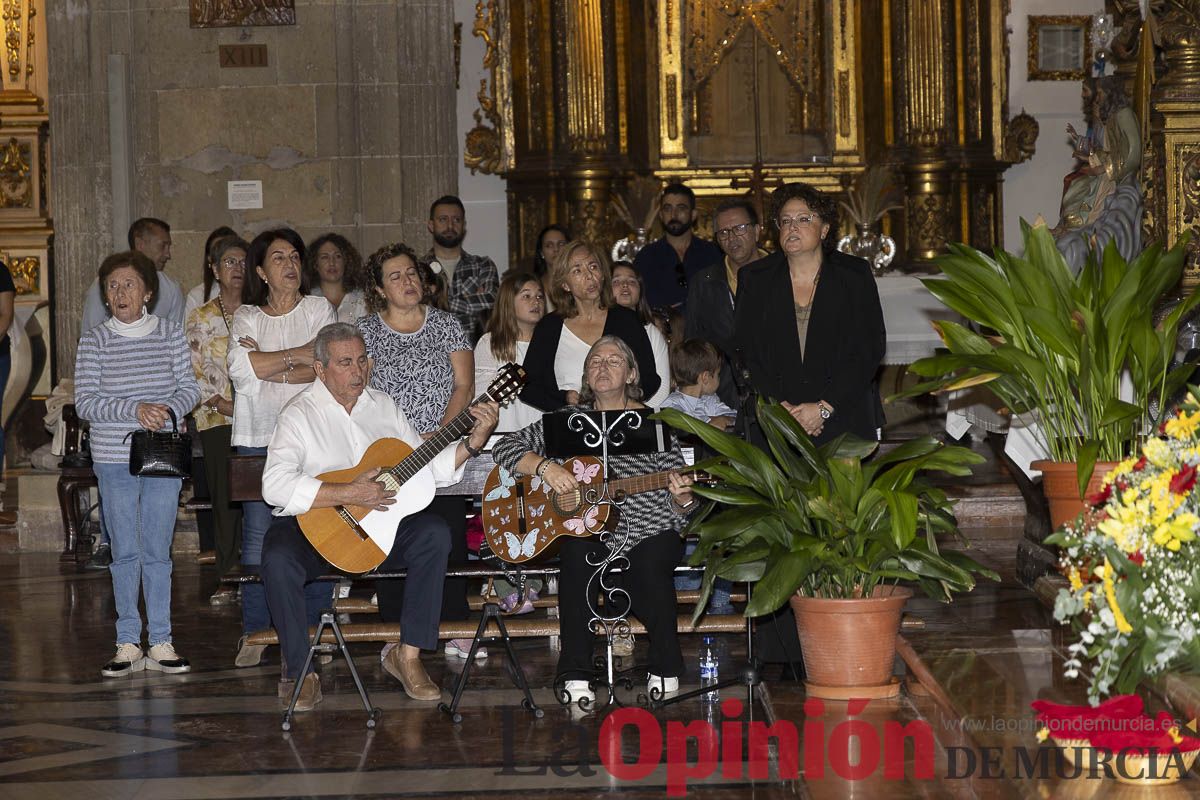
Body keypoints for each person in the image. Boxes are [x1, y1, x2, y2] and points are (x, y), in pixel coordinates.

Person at [261, 323, 498, 709]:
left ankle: (406, 656)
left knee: (434, 533)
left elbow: (425, 465)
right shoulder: (298, 413)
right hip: (315, 529)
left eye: (361, 361)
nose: (357, 371)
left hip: (378, 532)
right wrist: (349, 492)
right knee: (277, 556)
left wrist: (473, 442)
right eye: (344, 363)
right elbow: (274, 485)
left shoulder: (384, 405)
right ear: (320, 369)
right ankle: (299, 670)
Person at [491, 336, 696, 705]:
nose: (602, 366)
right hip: (586, 532)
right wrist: (545, 467)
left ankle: (665, 664)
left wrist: (682, 500)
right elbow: (503, 448)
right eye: (595, 361)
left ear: (632, 373)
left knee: (653, 558)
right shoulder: (566, 423)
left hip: (648, 529)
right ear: (586, 374)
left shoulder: (658, 423)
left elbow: (681, 508)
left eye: (614, 361)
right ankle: (575, 672)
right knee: (575, 557)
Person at [74, 250, 200, 678]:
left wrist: (163, 410)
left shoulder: (169, 334)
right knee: (124, 552)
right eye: (112, 285)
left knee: (157, 552)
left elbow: (189, 390)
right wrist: (134, 409)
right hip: (113, 458)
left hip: (162, 455)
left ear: (147, 291)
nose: (120, 292)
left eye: (129, 284)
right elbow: (86, 402)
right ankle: (127, 641)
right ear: (105, 295)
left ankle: (161, 640)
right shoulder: (95, 340)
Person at [357, 242, 479, 658]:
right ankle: (396, 628)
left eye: (411, 273)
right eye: (395, 276)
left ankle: (456, 623)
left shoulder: (446, 323)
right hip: (387, 453)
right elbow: (359, 393)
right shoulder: (366, 331)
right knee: (390, 536)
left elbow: (464, 385)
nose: (407, 281)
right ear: (378, 288)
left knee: (449, 534)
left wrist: (442, 435)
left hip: (440, 444)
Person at [227, 228, 337, 667]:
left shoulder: (317, 307)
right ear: (260, 271)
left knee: (318, 535)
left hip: (315, 441)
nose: (290, 264)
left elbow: (325, 367)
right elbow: (241, 371)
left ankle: (317, 631)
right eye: (278, 258)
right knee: (256, 540)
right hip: (258, 438)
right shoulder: (247, 316)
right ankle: (255, 632)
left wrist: (270, 362)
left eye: (295, 255)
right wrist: (299, 358)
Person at [733, 182, 885, 445]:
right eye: (785, 220)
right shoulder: (755, 278)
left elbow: (868, 350)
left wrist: (823, 409)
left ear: (825, 229)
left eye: (804, 219)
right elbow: (746, 354)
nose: (792, 227)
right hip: (777, 422)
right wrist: (782, 410)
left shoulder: (854, 275)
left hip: (842, 416)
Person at [520, 241, 660, 412]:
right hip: (567, 424)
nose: (589, 276)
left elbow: (650, 380)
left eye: (593, 267)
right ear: (565, 285)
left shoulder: (627, 320)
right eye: (577, 270)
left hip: (618, 420)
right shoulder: (549, 327)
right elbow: (527, 387)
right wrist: (563, 399)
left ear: (602, 275)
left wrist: (615, 401)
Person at [187, 234, 247, 606]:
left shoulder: (261, 311)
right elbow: (197, 374)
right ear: (214, 269)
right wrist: (232, 408)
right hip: (218, 420)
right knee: (226, 501)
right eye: (229, 262)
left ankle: (259, 572)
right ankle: (227, 577)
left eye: (242, 262)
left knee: (261, 498)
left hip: (263, 420)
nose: (236, 269)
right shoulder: (202, 316)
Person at [661, 338, 736, 615]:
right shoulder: (673, 404)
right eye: (717, 375)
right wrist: (707, 425)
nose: (719, 380)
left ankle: (719, 601)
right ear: (706, 377)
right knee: (689, 541)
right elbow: (677, 427)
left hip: (713, 483)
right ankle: (684, 597)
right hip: (683, 489)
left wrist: (722, 421)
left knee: (720, 539)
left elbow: (731, 417)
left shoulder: (711, 400)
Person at [685, 198, 765, 408]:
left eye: (740, 228)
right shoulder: (704, 283)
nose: (732, 238)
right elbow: (693, 348)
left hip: (779, 398)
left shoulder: (785, 274)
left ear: (757, 231)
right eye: (724, 232)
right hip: (724, 398)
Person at [82, 218, 185, 332]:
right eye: (162, 246)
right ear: (140, 244)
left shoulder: (171, 288)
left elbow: (176, 333)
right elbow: (90, 331)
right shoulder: (104, 284)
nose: (167, 254)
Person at [475, 270, 545, 433]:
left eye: (540, 296)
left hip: (542, 437)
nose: (536, 301)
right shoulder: (491, 342)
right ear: (508, 303)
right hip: (503, 435)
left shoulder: (551, 342)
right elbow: (479, 398)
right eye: (526, 296)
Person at [632, 183, 721, 311]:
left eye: (681, 208)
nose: (673, 215)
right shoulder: (646, 257)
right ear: (661, 215)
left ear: (694, 214)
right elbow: (638, 305)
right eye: (667, 209)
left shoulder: (712, 254)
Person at [422, 195, 499, 343]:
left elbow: (492, 301)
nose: (450, 226)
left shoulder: (483, 265)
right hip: (431, 353)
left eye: (456, 220)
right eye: (443, 219)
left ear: (464, 225)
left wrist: (437, 301)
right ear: (431, 225)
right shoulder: (418, 269)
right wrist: (472, 302)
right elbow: (412, 310)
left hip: (476, 353)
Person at [610, 261, 671, 408]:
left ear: (640, 291)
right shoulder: (595, 326)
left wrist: (640, 412)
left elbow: (662, 388)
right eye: (617, 281)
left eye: (631, 281)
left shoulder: (651, 332)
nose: (625, 285)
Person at [304, 233, 368, 324]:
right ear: (315, 264)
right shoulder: (307, 301)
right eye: (325, 257)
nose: (332, 263)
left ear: (346, 261)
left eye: (338, 256)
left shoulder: (363, 300)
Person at [184, 225, 236, 319]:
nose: (224, 258)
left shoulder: (253, 293)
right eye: (218, 252)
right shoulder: (197, 295)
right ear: (210, 259)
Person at [532, 224, 570, 308]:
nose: (556, 249)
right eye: (549, 245)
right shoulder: (533, 284)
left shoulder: (578, 282)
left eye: (561, 244)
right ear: (541, 252)